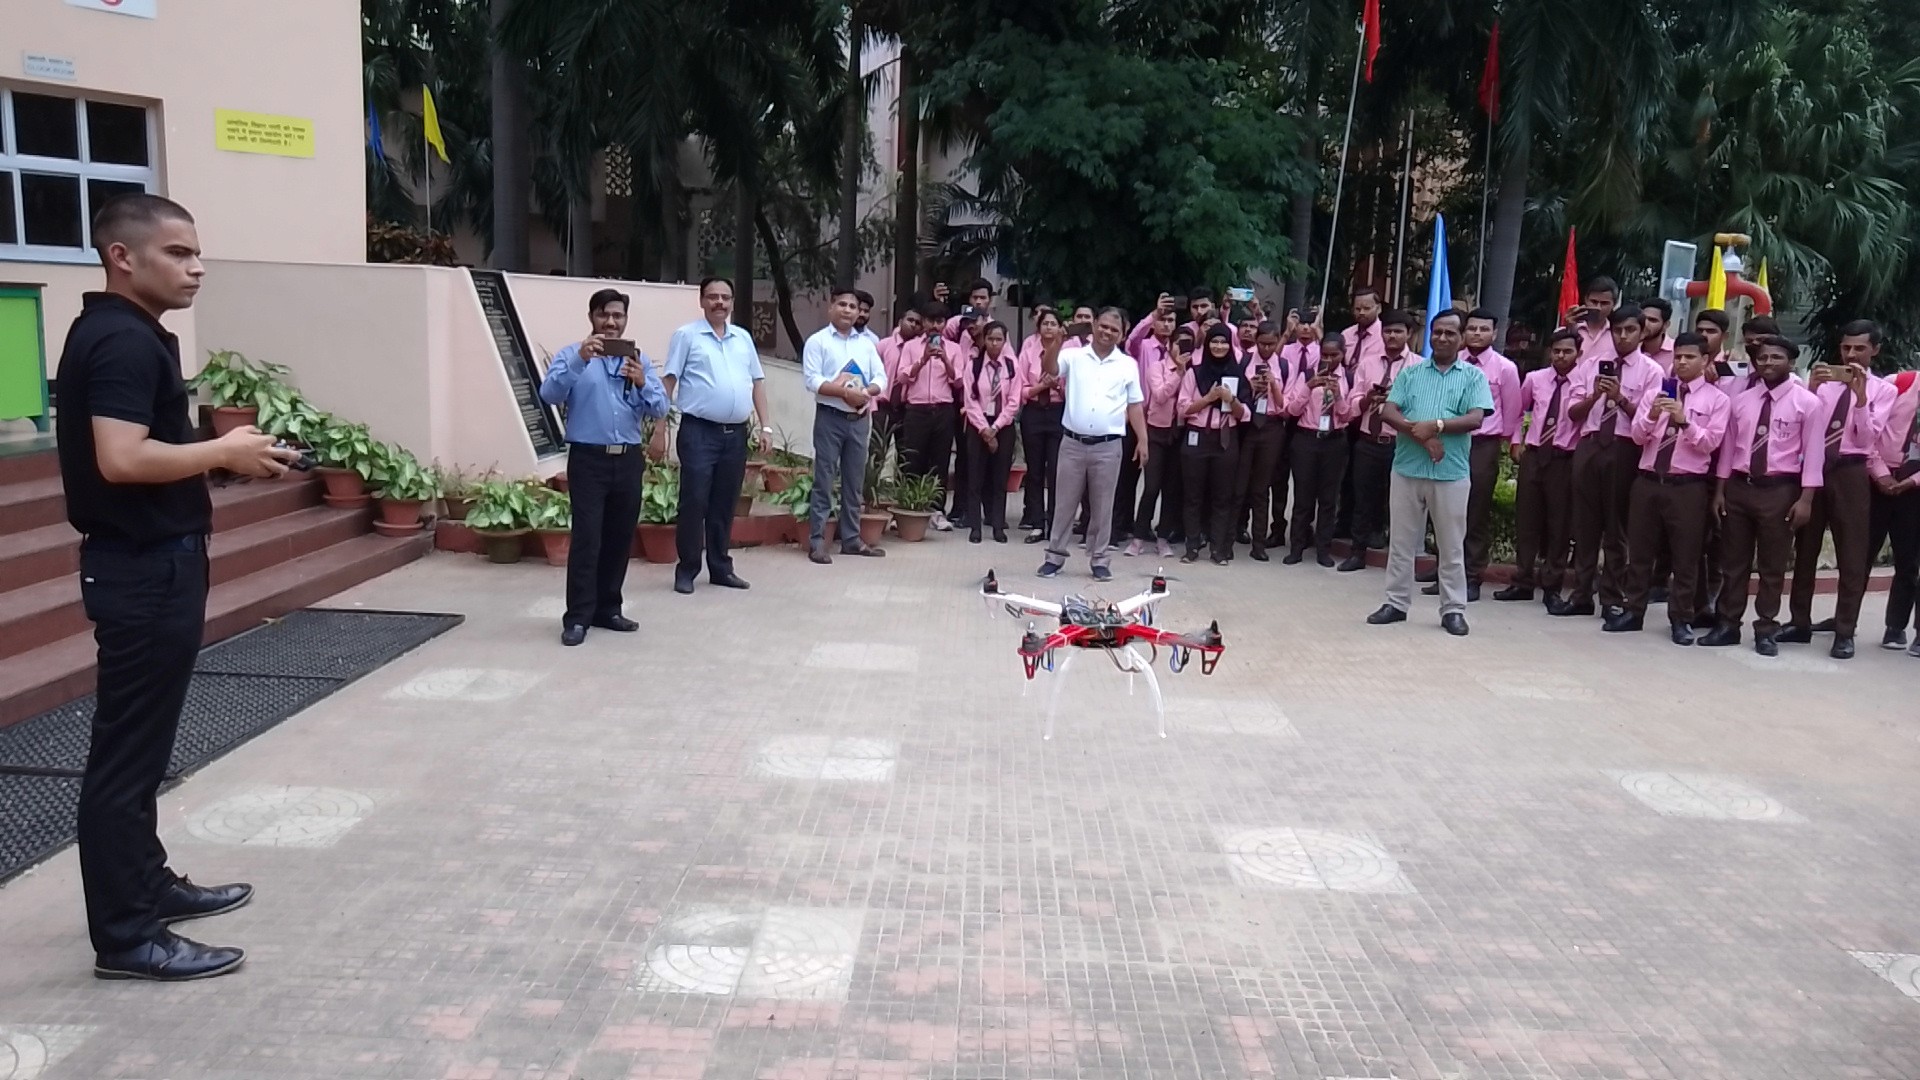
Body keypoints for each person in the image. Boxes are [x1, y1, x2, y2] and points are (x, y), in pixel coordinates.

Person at [57, 194, 298, 981]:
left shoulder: (130, 334)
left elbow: (149, 455)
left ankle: (146, 885)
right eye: (178, 253)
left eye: (197, 253)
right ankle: (127, 937)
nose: (196, 268)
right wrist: (219, 453)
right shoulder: (121, 340)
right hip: (141, 569)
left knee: (143, 749)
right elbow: (121, 459)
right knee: (126, 758)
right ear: (122, 257)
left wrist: (227, 459)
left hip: (155, 559)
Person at [544, 288, 672, 639]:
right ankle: (578, 617)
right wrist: (580, 361)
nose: (611, 322)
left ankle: (608, 609)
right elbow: (549, 394)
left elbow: (660, 408)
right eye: (604, 315)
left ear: (625, 320)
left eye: (618, 316)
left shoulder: (637, 361)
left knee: (619, 537)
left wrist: (643, 382)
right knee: (588, 538)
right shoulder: (572, 355)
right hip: (588, 459)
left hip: (628, 460)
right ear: (592, 318)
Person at [1365, 310, 1493, 636]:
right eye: (1437, 332)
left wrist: (1436, 426)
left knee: (1450, 547)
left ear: (1461, 338)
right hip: (1407, 468)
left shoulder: (1473, 377)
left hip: (1449, 472)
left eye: (1450, 333)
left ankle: (1453, 610)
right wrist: (1422, 436)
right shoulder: (1411, 374)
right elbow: (1389, 411)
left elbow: (1475, 419)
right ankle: (1395, 603)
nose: (1442, 338)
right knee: (1401, 543)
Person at [1701, 336, 1822, 656]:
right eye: (1763, 357)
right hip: (1740, 487)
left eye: (1776, 357)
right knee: (1733, 562)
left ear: (1791, 362)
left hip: (1779, 490)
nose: (1768, 363)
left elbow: (1813, 454)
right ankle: (1727, 624)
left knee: (1771, 566)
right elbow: (1728, 448)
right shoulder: (1742, 401)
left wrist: (1806, 499)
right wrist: (1720, 491)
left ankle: (1766, 628)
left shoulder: (1806, 403)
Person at [1607, 334, 1729, 641]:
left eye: (1689, 357)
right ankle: (1633, 610)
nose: (1682, 362)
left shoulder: (1717, 400)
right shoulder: (1655, 394)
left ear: (1705, 361)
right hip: (1648, 481)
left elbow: (1710, 444)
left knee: (1685, 554)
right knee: (1640, 551)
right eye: (1678, 357)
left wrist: (1684, 421)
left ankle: (1681, 617)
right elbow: (1637, 437)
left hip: (1686, 486)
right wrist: (1652, 415)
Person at [1779, 321, 1890, 659]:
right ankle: (1799, 621)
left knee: (1852, 553)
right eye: (1846, 348)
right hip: (1816, 467)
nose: (1851, 355)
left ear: (1875, 350)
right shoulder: (1825, 384)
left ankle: (1845, 630)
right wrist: (1812, 390)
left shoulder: (1883, 390)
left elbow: (1868, 439)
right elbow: (1805, 425)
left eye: (1859, 348)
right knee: (1806, 547)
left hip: (1851, 471)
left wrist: (1860, 400)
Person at [661, 278, 770, 597]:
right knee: (694, 501)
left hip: (735, 435)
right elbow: (669, 380)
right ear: (702, 301)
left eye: (725, 297)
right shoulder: (686, 336)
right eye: (712, 297)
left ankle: (721, 568)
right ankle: (688, 569)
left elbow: (757, 383)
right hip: (699, 432)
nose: (719, 302)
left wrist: (766, 426)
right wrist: (658, 428)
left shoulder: (743, 338)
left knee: (725, 503)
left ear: (733, 302)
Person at [1553, 305, 1655, 618]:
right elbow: (1572, 413)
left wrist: (1621, 398)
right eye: (1617, 330)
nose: (1623, 336)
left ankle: (1611, 596)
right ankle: (1582, 594)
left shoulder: (1652, 371)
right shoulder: (1591, 365)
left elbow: (1650, 421)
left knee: (1616, 527)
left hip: (1624, 448)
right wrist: (1596, 395)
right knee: (1585, 526)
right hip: (1590, 444)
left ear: (1642, 333)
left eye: (1630, 330)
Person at [1038, 308, 1149, 582]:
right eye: (1103, 326)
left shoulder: (1127, 365)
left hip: (1108, 446)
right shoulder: (1074, 356)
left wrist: (1143, 440)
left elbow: (1135, 405)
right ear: (1094, 325)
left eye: (1114, 329)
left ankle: (1099, 559)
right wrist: (1057, 341)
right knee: (1064, 503)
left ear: (1122, 335)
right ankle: (1054, 556)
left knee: (1103, 506)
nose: (1107, 332)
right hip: (1072, 443)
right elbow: (1049, 369)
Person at [802, 286, 890, 563]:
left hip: (859, 419)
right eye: (842, 305)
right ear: (831, 308)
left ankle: (851, 539)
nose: (848, 311)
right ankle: (817, 542)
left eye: (853, 307)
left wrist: (867, 393)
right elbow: (812, 381)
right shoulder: (818, 342)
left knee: (854, 482)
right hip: (830, 418)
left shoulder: (866, 344)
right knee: (824, 480)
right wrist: (842, 392)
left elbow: (881, 378)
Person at [1496, 329, 1582, 603]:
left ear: (1578, 353)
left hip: (1564, 458)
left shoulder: (1584, 383)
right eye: (1556, 351)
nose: (1561, 356)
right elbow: (1518, 410)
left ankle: (1552, 585)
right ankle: (1522, 580)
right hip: (1533, 455)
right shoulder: (1535, 379)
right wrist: (1516, 441)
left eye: (1567, 351)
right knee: (1527, 520)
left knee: (1559, 524)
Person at [1453, 307, 1524, 600]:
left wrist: (1509, 444)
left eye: (1483, 329)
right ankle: (1447, 570)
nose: (1477, 334)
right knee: (1448, 508)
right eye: (1472, 329)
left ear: (1494, 334)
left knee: (1476, 510)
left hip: (1483, 444)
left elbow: (1513, 412)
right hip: (1452, 441)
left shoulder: (1505, 368)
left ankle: (1471, 576)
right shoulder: (1452, 362)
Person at [1340, 309, 1416, 572]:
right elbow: (1351, 406)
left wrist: (1396, 402)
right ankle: (1357, 553)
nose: (1392, 336)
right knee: (1362, 498)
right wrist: (1369, 399)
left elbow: (1422, 407)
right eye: (1388, 331)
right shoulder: (1367, 363)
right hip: (1368, 439)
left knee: (1400, 503)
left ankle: (1397, 559)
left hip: (1401, 443)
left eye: (1398, 331)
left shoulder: (1418, 366)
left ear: (1409, 334)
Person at [1179, 325, 1253, 564]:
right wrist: (1208, 399)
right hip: (1197, 436)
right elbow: (1182, 409)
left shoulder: (1238, 374)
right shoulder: (1195, 373)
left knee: (1223, 497)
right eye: (1214, 342)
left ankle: (1218, 549)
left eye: (1223, 342)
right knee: (1192, 495)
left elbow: (1246, 415)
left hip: (1225, 439)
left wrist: (1230, 400)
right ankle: (1191, 545)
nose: (1219, 347)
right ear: (1207, 344)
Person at [1284, 335, 1356, 565]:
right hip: (1307, 439)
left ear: (1343, 354)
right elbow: (1292, 410)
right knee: (1303, 497)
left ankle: (1323, 550)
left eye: (1333, 355)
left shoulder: (1349, 378)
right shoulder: (1307, 374)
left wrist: (1338, 396)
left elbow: (1348, 416)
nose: (1328, 359)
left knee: (1328, 498)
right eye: (1324, 354)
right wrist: (1308, 387)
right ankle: (1296, 547)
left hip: (1334, 441)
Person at [893, 301, 962, 530]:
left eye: (939, 321)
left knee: (940, 461)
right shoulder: (912, 346)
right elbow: (902, 377)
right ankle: (908, 508)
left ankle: (936, 510)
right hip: (916, 409)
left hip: (943, 410)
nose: (934, 326)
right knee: (912, 459)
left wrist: (944, 359)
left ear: (945, 324)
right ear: (923, 322)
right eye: (930, 321)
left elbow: (959, 381)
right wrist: (922, 359)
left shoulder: (954, 349)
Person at [1867, 365, 1920, 652]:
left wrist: (1912, 481)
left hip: (1915, 490)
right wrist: (1880, 473)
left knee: (1909, 560)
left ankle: (1896, 627)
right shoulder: (1899, 384)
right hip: (1878, 480)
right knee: (1860, 555)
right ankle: (1844, 623)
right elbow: (1869, 432)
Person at [1235, 320, 1295, 562]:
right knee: (1239, 484)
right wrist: (1250, 386)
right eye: (1262, 344)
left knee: (1262, 487)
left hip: (1271, 426)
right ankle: (1232, 534)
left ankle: (1259, 542)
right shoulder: (1243, 361)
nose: (1266, 349)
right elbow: (1235, 394)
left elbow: (1285, 407)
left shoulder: (1283, 366)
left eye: (1271, 344)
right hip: (1246, 424)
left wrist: (1272, 384)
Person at [1127, 325, 1190, 558]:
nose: (1182, 349)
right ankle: (1138, 536)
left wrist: (1187, 372)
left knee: (1171, 489)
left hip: (1180, 432)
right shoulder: (1157, 368)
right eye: (1178, 343)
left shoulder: (1194, 371)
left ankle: (1163, 537)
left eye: (1187, 344)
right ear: (1170, 345)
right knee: (1151, 486)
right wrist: (1179, 373)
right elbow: (1161, 395)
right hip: (1156, 431)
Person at [961, 320, 1023, 543]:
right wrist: (984, 429)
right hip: (978, 424)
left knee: (999, 478)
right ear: (984, 340)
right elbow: (970, 400)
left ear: (1005, 342)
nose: (995, 344)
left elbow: (1014, 401)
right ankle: (975, 527)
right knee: (975, 476)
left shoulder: (1011, 366)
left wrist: (996, 427)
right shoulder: (974, 365)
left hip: (1003, 425)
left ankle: (998, 526)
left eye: (999, 339)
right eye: (990, 339)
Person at [1017, 308, 1068, 541]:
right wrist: (1041, 387)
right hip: (1034, 412)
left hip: (1058, 412)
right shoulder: (1028, 352)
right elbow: (1021, 390)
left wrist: (1056, 386)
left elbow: (1072, 391)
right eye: (1045, 323)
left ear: (1060, 328)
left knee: (1057, 472)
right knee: (1035, 471)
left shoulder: (1067, 354)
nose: (1049, 327)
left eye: (1053, 323)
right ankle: (1037, 523)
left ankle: (1055, 523)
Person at [871, 307, 925, 460]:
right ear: (900, 322)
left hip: (906, 408)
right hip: (884, 406)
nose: (913, 324)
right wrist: (873, 405)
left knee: (905, 454)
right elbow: (870, 373)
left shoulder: (920, 350)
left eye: (918, 323)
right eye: (910, 320)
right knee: (877, 451)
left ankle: (900, 484)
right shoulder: (884, 345)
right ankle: (872, 483)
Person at [1567, 277, 1620, 365]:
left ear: (1614, 304)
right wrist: (1569, 330)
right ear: (1586, 300)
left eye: (1604, 303)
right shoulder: (1570, 328)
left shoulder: (1617, 335)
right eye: (1594, 302)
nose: (1598, 307)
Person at [1639, 297, 1676, 373]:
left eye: (1652, 320)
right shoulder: (1632, 349)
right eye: (1643, 319)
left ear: (1666, 325)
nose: (1646, 324)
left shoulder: (1677, 351)